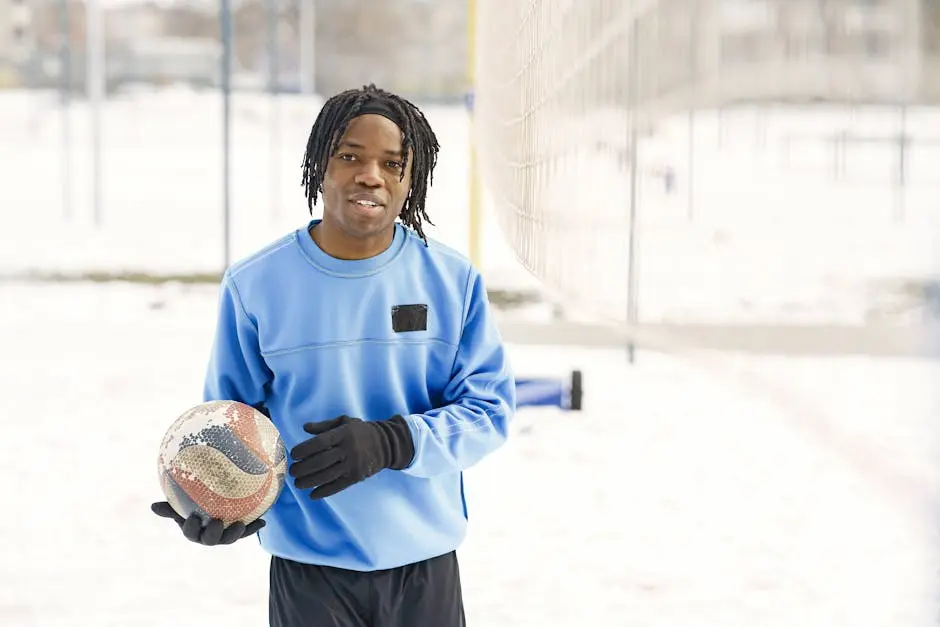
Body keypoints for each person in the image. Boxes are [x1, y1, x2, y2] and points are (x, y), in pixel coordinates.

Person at [151, 83, 516, 627]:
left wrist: (393, 441)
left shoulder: (452, 281)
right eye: (350, 156)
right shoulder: (256, 285)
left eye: (393, 164)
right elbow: (230, 426)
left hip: (424, 566)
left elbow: (490, 413)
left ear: (410, 180)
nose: (371, 175)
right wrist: (217, 502)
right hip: (309, 573)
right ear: (319, 164)